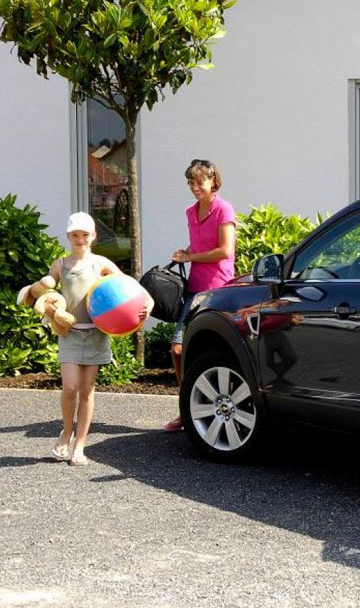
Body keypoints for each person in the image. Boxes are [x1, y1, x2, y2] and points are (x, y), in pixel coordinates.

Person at [48, 212, 150, 466]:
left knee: (87, 389)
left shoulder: (100, 263)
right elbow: (47, 294)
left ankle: (80, 445)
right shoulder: (60, 264)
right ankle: (66, 430)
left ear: (93, 236)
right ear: (68, 237)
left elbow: (130, 288)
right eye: (75, 235)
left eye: (85, 235)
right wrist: (49, 309)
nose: (80, 240)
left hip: (95, 334)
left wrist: (147, 305)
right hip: (69, 333)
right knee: (70, 387)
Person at [163, 159, 237, 432]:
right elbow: (198, 246)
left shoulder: (223, 209)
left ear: (213, 180)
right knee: (178, 349)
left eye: (199, 182)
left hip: (217, 287)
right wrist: (184, 253)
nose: (195, 187)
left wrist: (191, 255)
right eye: (191, 183)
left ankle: (204, 408)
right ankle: (188, 406)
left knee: (213, 348)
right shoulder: (190, 212)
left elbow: (224, 251)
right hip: (194, 286)